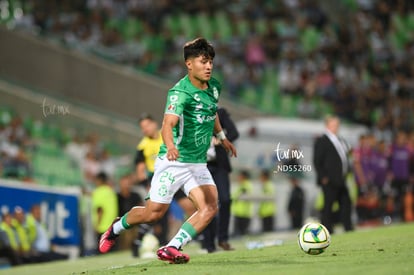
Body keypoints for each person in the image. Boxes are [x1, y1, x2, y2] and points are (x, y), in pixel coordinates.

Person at [98, 37, 237, 264]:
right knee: (153, 214)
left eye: (210, 61)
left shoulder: (214, 87)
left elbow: (212, 114)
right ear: (189, 64)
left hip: (197, 163)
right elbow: (167, 124)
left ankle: (172, 247)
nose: (209, 66)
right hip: (174, 161)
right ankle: (115, 227)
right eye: (203, 61)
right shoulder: (179, 93)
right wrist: (171, 146)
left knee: (211, 207)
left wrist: (221, 137)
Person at [133, 113, 195, 257]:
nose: (145, 129)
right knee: (154, 215)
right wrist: (147, 186)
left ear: (155, 124)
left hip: (174, 178)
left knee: (191, 207)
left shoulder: (166, 135)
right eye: (143, 127)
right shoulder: (142, 146)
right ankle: (138, 242)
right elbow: (140, 170)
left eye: (147, 125)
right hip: (157, 182)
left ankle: (196, 236)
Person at [202, 107, 239, 253]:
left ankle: (223, 238)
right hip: (200, 166)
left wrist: (221, 138)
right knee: (207, 204)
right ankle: (208, 243)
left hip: (219, 166)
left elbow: (234, 133)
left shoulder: (220, 113)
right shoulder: (190, 114)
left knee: (225, 200)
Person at [313, 115, 353, 233]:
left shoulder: (339, 140)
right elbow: (317, 160)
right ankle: (327, 230)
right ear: (328, 125)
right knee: (328, 205)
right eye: (334, 124)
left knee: (346, 203)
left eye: (337, 124)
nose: (337, 127)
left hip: (341, 178)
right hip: (329, 179)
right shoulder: (322, 140)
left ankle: (348, 227)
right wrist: (323, 177)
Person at [117, 174, 143, 255]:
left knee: (134, 240)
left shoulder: (135, 195)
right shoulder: (117, 196)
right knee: (124, 243)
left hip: (134, 224)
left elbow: (141, 207)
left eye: (127, 183)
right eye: (124, 183)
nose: (126, 185)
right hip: (121, 223)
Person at [92, 172, 118, 250]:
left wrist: (97, 225)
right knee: (113, 251)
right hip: (113, 226)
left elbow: (100, 210)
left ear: (99, 180)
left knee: (103, 250)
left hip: (102, 228)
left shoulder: (98, 192)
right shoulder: (111, 191)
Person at [231, 170, 254, 236]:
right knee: (239, 234)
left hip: (243, 213)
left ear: (243, 176)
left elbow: (238, 195)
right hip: (240, 213)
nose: (238, 177)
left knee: (241, 234)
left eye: (240, 176)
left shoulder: (246, 185)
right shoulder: (242, 185)